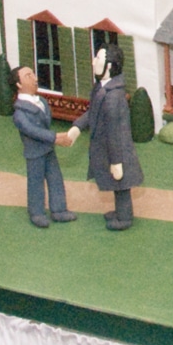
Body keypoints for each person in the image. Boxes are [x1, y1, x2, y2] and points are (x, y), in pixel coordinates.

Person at [72, 43, 143, 230]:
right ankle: (120, 213)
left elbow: (114, 131)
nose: (93, 61)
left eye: (98, 58)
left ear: (109, 66)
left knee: (121, 186)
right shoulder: (101, 89)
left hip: (117, 150)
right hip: (107, 148)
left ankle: (125, 218)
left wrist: (117, 161)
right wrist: (78, 127)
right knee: (116, 183)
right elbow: (93, 111)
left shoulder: (113, 97)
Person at [13, 66, 78, 229]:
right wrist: (55, 137)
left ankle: (59, 209)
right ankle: (36, 212)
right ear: (18, 84)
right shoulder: (19, 113)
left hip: (48, 149)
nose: (35, 79)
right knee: (35, 182)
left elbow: (45, 122)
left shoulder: (41, 101)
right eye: (28, 76)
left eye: (33, 74)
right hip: (34, 152)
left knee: (55, 178)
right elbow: (32, 131)